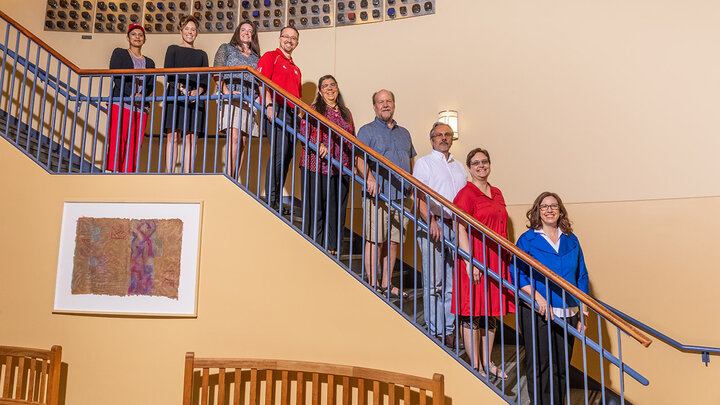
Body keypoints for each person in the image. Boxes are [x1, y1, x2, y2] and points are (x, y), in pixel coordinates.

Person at [513, 191, 590, 405]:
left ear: (560, 210)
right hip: (539, 312)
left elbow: (581, 276)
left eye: (553, 206)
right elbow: (517, 272)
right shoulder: (527, 239)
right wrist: (537, 297)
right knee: (540, 365)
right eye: (544, 206)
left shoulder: (571, 239)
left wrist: (584, 312)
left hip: (569, 312)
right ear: (537, 211)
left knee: (562, 366)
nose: (549, 210)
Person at [453, 148, 515, 377]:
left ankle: (488, 362)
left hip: (496, 259)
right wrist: (470, 261)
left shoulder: (497, 192)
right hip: (475, 259)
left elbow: (502, 226)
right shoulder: (465, 194)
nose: (481, 166)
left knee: (491, 313)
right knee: (473, 312)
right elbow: (458, 227)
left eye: (485, 161)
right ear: (469, 168)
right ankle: (476, 365)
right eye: (476, 163)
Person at [355, 89, 416, 299]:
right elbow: (359, 158)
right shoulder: (367, 131)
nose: (385, 105)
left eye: (388, 101)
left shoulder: (404, 133)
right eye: (381, 102)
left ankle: (386, 283)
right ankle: (372, 284)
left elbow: (411, 160)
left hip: (402, 197)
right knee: (375, 240)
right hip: (377, 196)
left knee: (393, 241)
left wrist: (412, 184)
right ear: (374, 107)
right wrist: (370, 178)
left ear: (394, 104)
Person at [412, 122, 467, 348]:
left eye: (447, 135)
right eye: (439, 135)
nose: (443, 138)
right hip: (432, 225)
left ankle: (450, 330)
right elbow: (418, 195)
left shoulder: (459, 166)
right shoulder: (424, 164)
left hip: (456, 227)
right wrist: (431, 220)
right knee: (434, 282)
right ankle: (435, 331)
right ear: (432, 139)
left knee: (452, 284)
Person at [298, 75, 355, 255]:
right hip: (317, 165)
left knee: (337, 210)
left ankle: (334, 248)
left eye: (332, 85)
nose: (329, 88)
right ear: (320, 91)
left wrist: (353, 162)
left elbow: (352, 138)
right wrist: (318, 143)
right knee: (318, 208)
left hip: (341, 168)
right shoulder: (314, 109)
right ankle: (316, 246)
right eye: (325, 86)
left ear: (337, 88)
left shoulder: (346, 112)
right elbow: (303, 131)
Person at [257, 26, 302, 214]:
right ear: (279, 38)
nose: (289, 40)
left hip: (292, 115)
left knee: (287, 157)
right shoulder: (270, 57)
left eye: (293, 38)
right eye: (286, 36)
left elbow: (297, 96)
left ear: (297, 43)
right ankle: (272, 201)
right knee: (278, 153)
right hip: (276, 110)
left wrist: (299, 116)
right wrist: (268, 105)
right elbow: (262, 82)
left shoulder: (297, 69)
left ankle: (275, 201)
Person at [213, 20, 261, 180]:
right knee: (233, 136)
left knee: (243, 140)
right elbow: (216, 71)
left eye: (250, 30)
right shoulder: (226, 48)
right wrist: (226, 91)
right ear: (238, 32)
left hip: (249, 98)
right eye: (243, 29)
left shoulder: (256, 56)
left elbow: (261, 80)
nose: (246, 32)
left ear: (253, 35)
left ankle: (235, 177)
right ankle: (228, 177)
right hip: (231, 95)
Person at [162, 15, 209, 173]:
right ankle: (169, 173)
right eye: (187, 29)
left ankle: (188, 174)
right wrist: (182, 90)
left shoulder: (202, 54)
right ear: (181, 31)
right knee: (173, 136)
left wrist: (198, 92)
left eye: (193, 29)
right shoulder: (172, 49)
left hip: (196, 98)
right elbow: (169, 73)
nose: (190, 32)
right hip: (176, 93)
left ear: (197, 33)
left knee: (191, 138)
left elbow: (205, 79)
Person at [106, 24, 155, 173]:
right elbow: (117, 75)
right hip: (121, 103)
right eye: (134, 34)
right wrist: (129, 95)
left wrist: (142, 96)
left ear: (144, 39)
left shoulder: (150, 62)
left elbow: (150, 85)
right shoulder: (120, 53)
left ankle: (128, 173)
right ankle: (113, 172)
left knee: (135, 143)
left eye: (140, 35)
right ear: (128, 37)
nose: (137, 37)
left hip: (141, 107)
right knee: (117, 139)